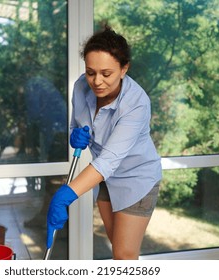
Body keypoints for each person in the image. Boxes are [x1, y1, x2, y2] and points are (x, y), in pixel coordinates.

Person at [47, 26, 162, 260]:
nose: (96, 81)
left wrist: (66, 194)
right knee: (118, 250)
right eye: (90, 72)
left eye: (106, 74)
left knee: (124, 255)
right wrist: (75, 135)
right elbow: (75, 125)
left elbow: (108, 160)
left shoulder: (136, 103)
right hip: (106, 180)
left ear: (124, 68)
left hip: (136, 179)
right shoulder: (81, 87)